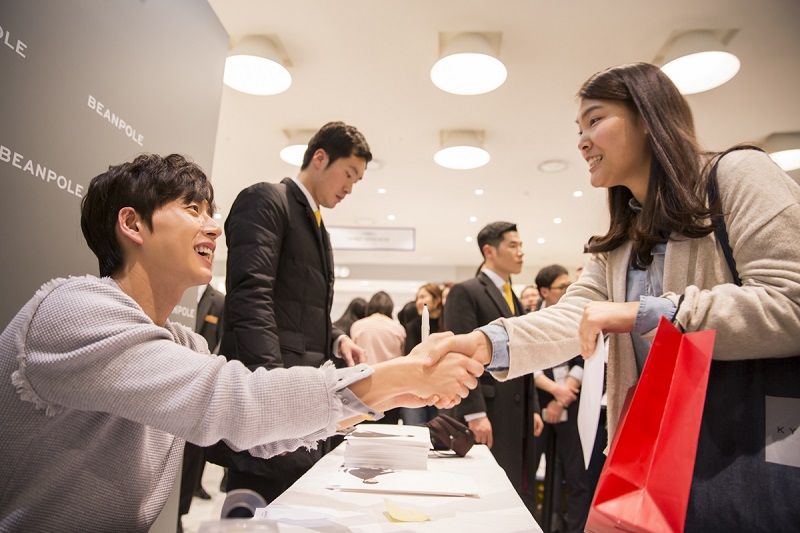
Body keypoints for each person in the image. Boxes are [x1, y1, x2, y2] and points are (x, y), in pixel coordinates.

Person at [0, 153, 482, 532]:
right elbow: (234, 400)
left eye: (210, 211)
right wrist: (394, 376)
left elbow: (261, 433)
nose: (213, 226)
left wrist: (398, 391)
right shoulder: (73, 310)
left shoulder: (184, 344)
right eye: (192, 209)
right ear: (132, 224)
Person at [427, 62, 800, 529]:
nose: (582, 141)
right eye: (579, 129)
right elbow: (572, 319)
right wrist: (483, 344)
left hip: (743, 447)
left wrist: (650, 313)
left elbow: (790, 301)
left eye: (595, 120)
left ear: (648, 117)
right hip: (655, 456)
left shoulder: (738, 174)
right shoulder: (620, 239)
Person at [216, 121, 372, 502]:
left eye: (357, 180)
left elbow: (300, 310)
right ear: (320, 157)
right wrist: (274, 401)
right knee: (256, 511)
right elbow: (250, 300)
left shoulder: (318, 227)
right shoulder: (267, 200)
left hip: (302, 404)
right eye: (348, 173)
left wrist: (337, 339)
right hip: (273, 401)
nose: (350, 188)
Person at [443, 221, 539, 513]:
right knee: (485, 490)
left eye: (521, 245)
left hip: (518, 410)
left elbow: (526, 355)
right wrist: (475, 413)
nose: (521, 252)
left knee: (514, 484)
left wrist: (533, 405)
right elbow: (460, 355)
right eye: (513, 245)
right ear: (489, 251)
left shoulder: (515, 298)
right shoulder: (467, 291)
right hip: (488, 409)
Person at [530, 265, 591, 533]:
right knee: (529, 472)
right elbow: (527, 364)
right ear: (545, 291)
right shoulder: (531, 318)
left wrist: (563, 396)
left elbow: (585, 357)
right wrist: (555, 392)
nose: (568, 291)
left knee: (578, 476)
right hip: (538, 403)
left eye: (569, 285)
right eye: (562, 286)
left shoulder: (578, 317)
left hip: (571, 400)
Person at [178, 282, 225, 526]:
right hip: (175, 382)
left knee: (194, 454)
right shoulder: (176, 292)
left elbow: (220, 343)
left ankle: (180, 512)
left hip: (201, 387)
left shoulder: (219, 301)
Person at [350, 291, 407, 424]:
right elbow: (402, 355)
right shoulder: (398, 328)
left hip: (363, 381)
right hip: (391, 383)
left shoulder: (357, 326)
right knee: (389, 425)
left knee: (362, 424)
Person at [401, 283, 445, 425]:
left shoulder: (447, 324)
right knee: (416, 429)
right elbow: (410, 356)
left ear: (437, 299)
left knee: (439, 431)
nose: (418, 302)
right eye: (417, 298)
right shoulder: (413, 326)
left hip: (441, 387)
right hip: (416, 386)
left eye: (423, 297)